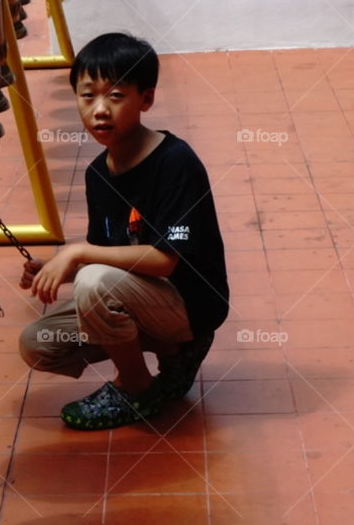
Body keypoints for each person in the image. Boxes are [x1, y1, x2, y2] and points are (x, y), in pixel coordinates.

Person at [19, 32, 229, 429]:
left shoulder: (175, 161)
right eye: (87, 96)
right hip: (143, 298)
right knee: (38, 344)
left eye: (115, 96)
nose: (99, 110)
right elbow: (108, 252)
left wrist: (78, 255)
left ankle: (137, 386)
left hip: (190, 303)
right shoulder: (98, 173)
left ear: (145, 99)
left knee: (95, 279)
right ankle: (172, 352)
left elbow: (164, 261)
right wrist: (57, 266)